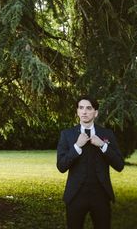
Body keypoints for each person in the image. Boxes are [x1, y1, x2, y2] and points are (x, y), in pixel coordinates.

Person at [57, 95, 124, 229]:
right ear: (77, 112)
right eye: (81, 108)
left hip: (101, 195)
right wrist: (77, 146)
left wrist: (102, 145)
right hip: (75, 195)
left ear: (96, 112)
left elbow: (119, 165)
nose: (84, 111)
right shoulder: (67, 134)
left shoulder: (107, 134)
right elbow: (61, 166)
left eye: (88, 108)